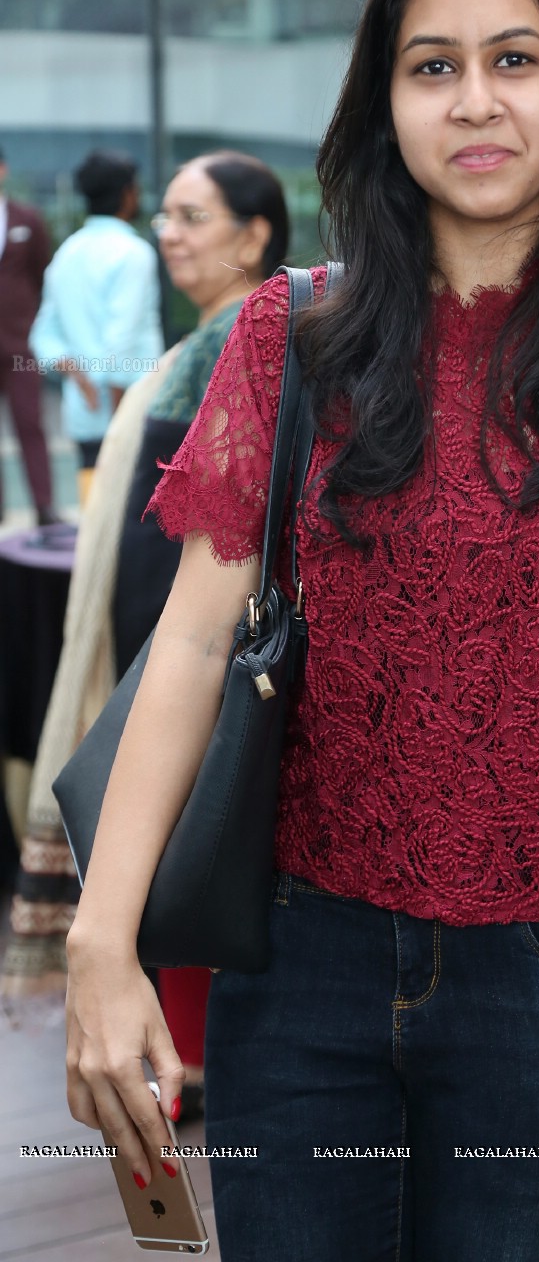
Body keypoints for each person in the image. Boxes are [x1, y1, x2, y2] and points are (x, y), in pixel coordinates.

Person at [63, 0, 539, 1262]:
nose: (477, 101)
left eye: (516, 59)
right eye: (432, 65)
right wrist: (103, 942)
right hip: (301, 966)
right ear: (384, 103)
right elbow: (194, 641)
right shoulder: (293, 337)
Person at [4, 154, 287, 1120]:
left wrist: (170, 659)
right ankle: (187, 1057)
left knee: (200, 846)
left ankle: (194, 1061)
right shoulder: (205, 340)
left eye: (193, 216)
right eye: (163, 214)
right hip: (168, 647)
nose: (169, 233)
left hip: (197, 653)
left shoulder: (252, 343)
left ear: (256, 236)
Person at [29, 150, 163, 479]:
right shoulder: (134, 253)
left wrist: (80, 378)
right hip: (130, 419)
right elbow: (121, 341)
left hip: (84, 418)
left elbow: (43, 335)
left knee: (94, 519)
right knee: (130, 524)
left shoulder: (66, 253)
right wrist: (118, 424)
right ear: (127, 194)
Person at [0, 146, 57, 525]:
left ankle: (44, 507)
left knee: (30, 422)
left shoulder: (28, 219)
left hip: (20, 345)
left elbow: (42, 278)